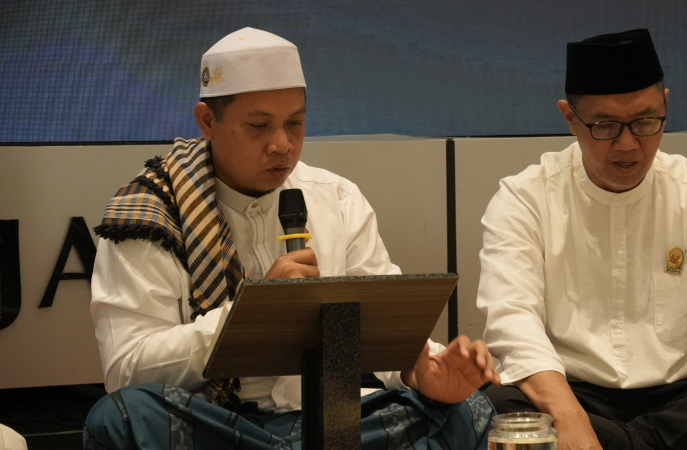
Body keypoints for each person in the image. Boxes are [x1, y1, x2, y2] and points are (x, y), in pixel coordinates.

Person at [84, 27, 498, 450]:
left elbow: (383, 327)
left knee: (471, 411)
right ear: (208, 121)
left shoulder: (337, 198)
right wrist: (250, 314)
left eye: (295, 123)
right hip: (220, 426)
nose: (282, 145)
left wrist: (421, 370)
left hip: (337, 420)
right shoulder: (150, 214)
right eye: (259, 126)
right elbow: (127, 370)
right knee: (121, 418)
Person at [477, 29, 687, 450]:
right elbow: (512, 324)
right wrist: (570, 419)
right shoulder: (524, 198)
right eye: (606, 125)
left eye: (646, 122)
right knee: (492, 405)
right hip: (571, 392)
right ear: (570, 118)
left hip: (684, 392)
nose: (628, 144)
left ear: (666, 105)